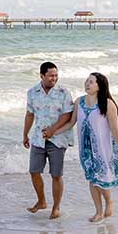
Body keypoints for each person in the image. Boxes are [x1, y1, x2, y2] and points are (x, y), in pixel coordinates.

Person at [56, 72, 118, 223]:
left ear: (99, 86)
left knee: (102, 179)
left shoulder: (107, 104)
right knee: (92, 179)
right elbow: (71, 123)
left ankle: (109, 201)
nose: (87, 84)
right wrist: (53, 132)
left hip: (103, 149)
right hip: (85, 149)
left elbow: (115, 129)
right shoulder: (79, 102)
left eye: (91, 82)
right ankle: (98, 211)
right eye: (87, 81)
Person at [22, 61, 75, 219]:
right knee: (34, 171)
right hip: (38, 138)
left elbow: (67, 115)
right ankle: (41, 201)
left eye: (56, 75)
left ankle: (56, 207)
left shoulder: (64, 92)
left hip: (58, 139)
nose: (54, 78)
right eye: (51, 75)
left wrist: (53, 130)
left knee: (56, 175)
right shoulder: (32, 92)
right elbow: (30, 114)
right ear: (42, 75)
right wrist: (25, 134)